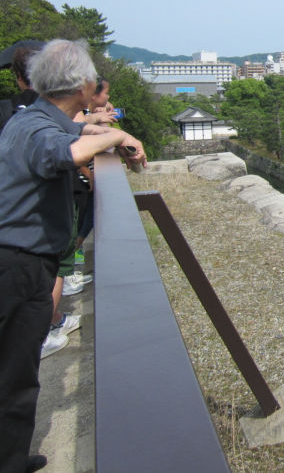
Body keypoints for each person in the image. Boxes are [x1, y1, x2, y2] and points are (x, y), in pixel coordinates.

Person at [0, 39, 146, 473]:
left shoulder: (34, 118)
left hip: (20, 259)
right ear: (83, 85)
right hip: (18, 263)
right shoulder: (36, 128)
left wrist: (112, 134)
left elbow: (76, 133)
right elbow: (64, 151)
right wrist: (117, 135)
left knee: (17, 368)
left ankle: (12, 454)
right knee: (14, 374)